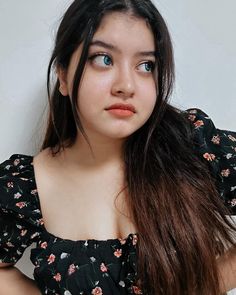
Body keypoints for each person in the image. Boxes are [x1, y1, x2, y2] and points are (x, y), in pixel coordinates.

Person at [0, 0, 236, 294]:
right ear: (62, 75)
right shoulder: (24, 185)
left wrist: (207, 284)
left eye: (145, 65)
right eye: (104, 59)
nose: (127, 85)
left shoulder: (194, 148)